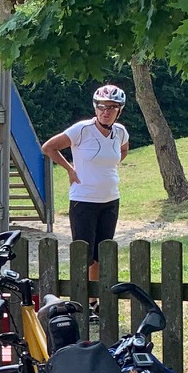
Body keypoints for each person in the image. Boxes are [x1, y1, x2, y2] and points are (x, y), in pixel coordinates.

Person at [43, 83, 130, 277]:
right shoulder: (82, 129)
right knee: (83, 253)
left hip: (110, 199)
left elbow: (123, 150)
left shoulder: (120, 132)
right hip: (84, 200)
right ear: (95, 107)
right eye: (101, 106)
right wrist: (70, 169)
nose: (105, 112)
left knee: (102, 252)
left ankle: (93, 299)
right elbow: (49, 147)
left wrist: (108, 166)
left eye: (111, 107)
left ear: (119, 110)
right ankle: (80, 295)